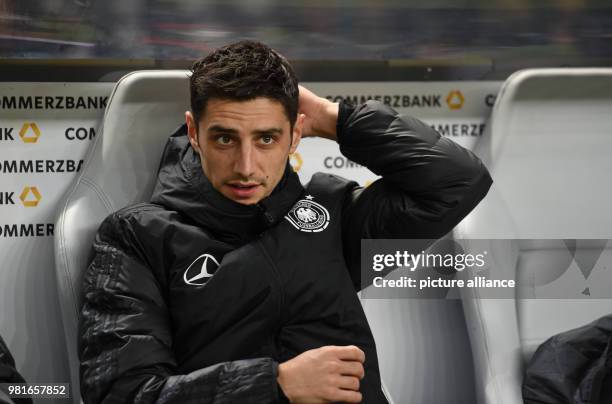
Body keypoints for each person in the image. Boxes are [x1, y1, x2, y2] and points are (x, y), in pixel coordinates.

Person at [79, 40, 492, 403]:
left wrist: (336, 120)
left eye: (266, 138)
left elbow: (458, 181)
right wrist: (274, 384)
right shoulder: (136, 237)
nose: (246, 166)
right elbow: (123, 392)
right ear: (193, 131)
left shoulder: (331, 212)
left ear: (295, 135)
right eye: (225, 138)